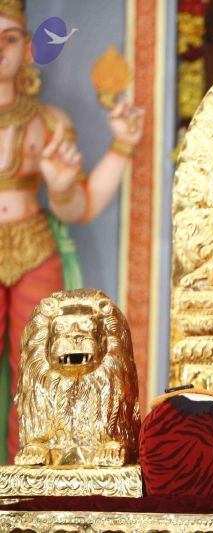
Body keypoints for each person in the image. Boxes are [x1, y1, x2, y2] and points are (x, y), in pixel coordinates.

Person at [0, 1, 143, 460]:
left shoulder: (48, 122)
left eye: (9, 38)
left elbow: (81, 206)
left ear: (27, 48)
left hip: (33, 248)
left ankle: (29, 470)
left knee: (41, 364)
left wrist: (67, 182)